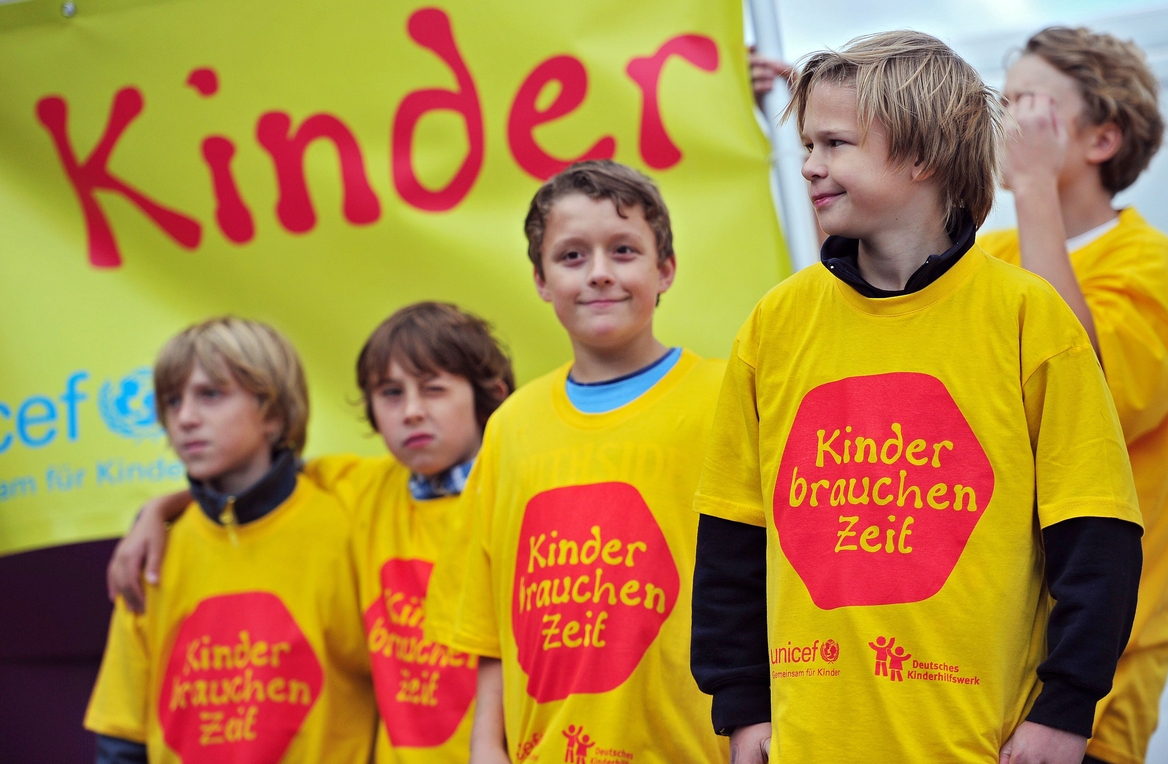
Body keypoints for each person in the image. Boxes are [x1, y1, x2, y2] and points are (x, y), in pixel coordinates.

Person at [691, 31, 1144, 764]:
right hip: (809, 743)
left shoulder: (1028, 318)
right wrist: (742, 707)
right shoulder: (775, 322)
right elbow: (732, 540)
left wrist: (1066, 709)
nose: (809, 165)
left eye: (835, 144)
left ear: (921, 155)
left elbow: (1098, 535)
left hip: (982, 742)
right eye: (807, 144)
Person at [105, 303, 515, 764]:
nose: (413, 411)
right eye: (391, 393)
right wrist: (156, 511)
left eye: (434, 390)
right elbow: (256, 489)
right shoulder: (362, 489)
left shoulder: (519, 496)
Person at [422, 160, 729, 763]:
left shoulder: (725, 398)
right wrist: (487, 748)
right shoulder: (510, 426)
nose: (599, 274)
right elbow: (489, 627)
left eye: (623, 250)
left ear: (665, 269)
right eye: (571, 257)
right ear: (539, 279)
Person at [978, 27, 1168, 764]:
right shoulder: (990, 254)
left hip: (1095, 682)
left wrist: (1033, 188)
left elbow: (1088, 394)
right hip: (983, 674)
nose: (1007, 123)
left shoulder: (1148, 261)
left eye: (1028, 104)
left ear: (1100, 139)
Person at [85, 317, 376, 763]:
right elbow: (123, 739)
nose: (185, 418)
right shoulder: (151, 551)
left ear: (275, 413)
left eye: (211, 395)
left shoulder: (348, 519)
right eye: (172, 401)